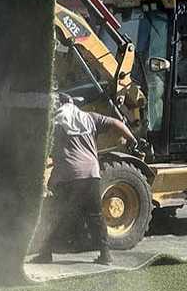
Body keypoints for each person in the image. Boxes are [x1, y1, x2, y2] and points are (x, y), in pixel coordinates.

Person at [32, 94, 137, 266]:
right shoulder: (89, 118)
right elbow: (116, 123)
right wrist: (132, 139)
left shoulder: (55, 124)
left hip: (67, 177)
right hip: (91, 174)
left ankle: (46, 253)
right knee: (96, 216)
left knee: (53, 215)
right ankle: (105, 255)